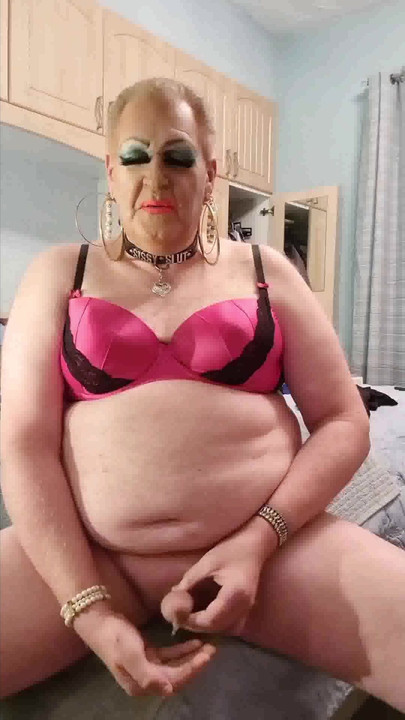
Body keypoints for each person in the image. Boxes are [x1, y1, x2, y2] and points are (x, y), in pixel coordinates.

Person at [0, 77, 404, 711]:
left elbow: (342, 420)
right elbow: (23, 444)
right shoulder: (58, 272)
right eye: (135, 156)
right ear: (110, 172)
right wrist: (89, 609)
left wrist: (259, 540)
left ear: (210, 173)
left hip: (270, 550)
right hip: (93, 558)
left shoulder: (268, 270)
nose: (155, 177)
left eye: (178, 156)